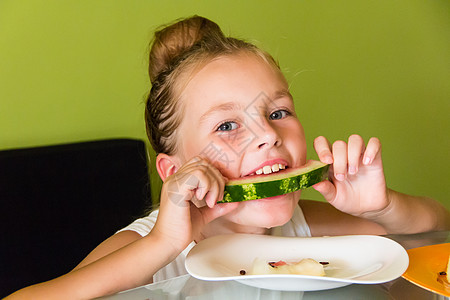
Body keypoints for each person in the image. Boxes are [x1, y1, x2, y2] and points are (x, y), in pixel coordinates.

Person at [6, 15, 449, 299]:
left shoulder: (304, 225)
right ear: (175, 171)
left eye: (277, 112)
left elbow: (434, 238)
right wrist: (162, 244)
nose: (268, 136)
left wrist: (385, 207)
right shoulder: (147, 248)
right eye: (227, 126)